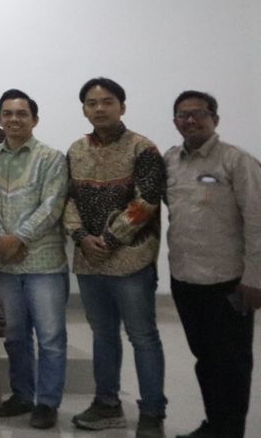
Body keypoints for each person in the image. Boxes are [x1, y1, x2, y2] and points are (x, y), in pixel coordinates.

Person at [65, 77, 167, 438]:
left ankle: (152, 412)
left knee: (143, 336)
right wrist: (81, 237)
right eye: (92, 103)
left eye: (107, 102)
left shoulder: (143, 149)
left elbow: (146, 201)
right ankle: (106, 404)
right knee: (103, 335)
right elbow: (68, 199)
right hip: (89, 261)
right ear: (84, 109)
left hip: (132, 261)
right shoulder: (76, 150)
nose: (99, 109)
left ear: (122, 107)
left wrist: (108, 239)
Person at [164, 90, 261, 438]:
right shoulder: (170, 160)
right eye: (183, 115)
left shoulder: (237, 161)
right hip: (185, 278)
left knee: (231, 364)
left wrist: (255, 278)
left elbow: (257, 222)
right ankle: (214, 425)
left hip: (227, 282)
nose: (190, 120)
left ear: (214, 119)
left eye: (199, 113)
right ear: (175, 121)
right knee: (205, 359)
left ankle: (229, 431)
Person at [0, 88, 70, 430]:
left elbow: (52, 205)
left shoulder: (51, 157)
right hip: (4, 263)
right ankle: (22, 395)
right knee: (15, 335)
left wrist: (19, 238)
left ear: (34, 119)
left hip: (44, 263)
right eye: (8, 113)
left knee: (50, 336)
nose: (14, 119)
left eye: (21, 113)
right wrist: (0, 236)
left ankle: (47, 403)